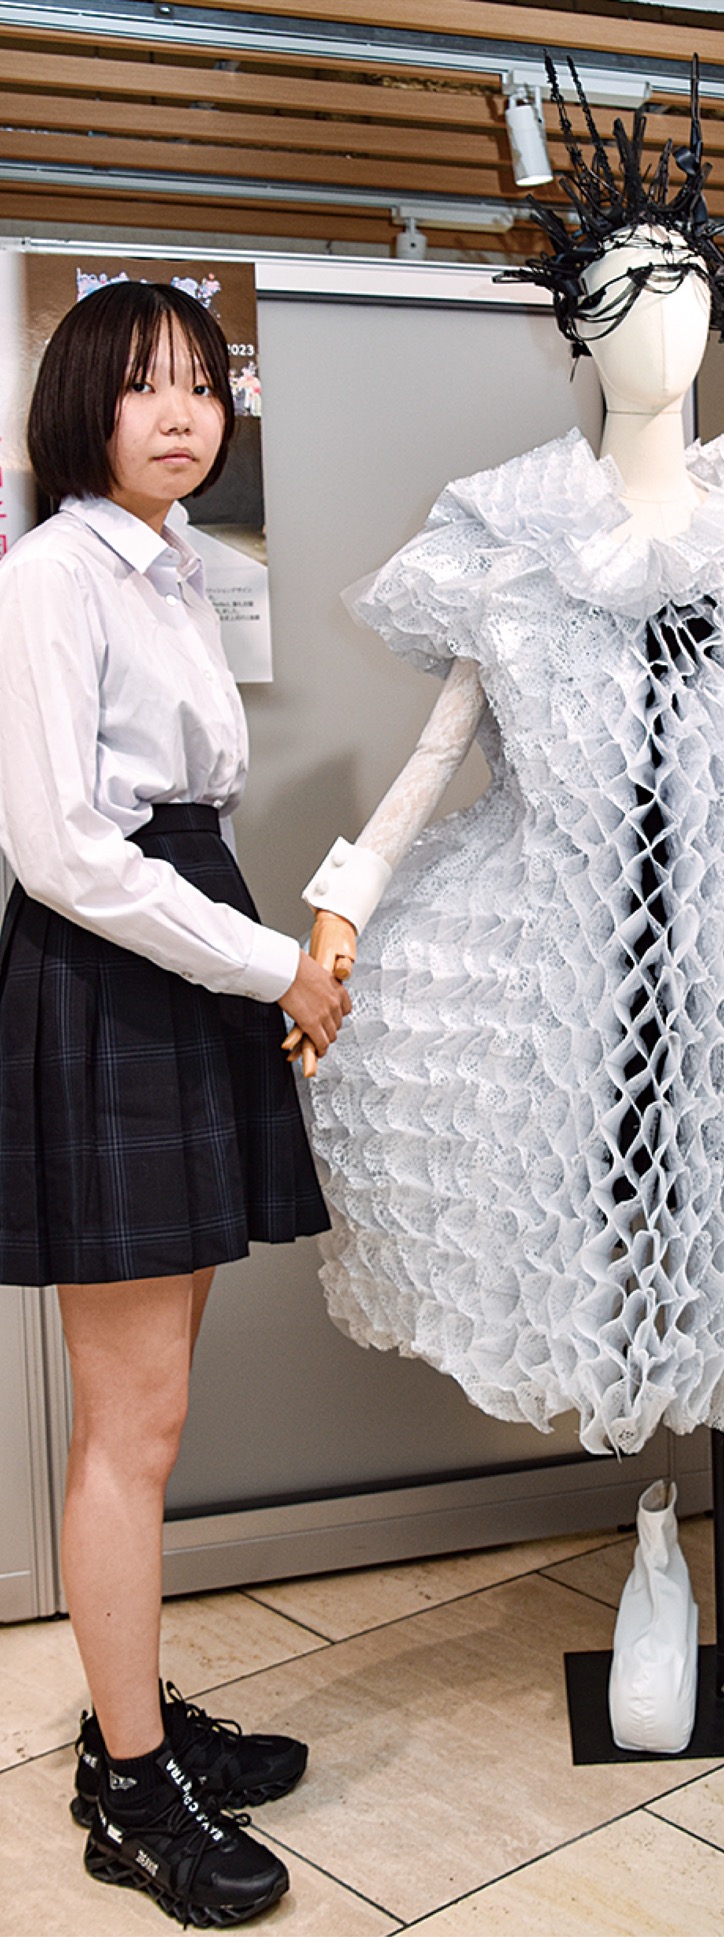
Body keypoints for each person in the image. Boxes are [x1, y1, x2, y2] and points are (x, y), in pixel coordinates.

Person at [292, 67, 724, 1460]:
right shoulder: (516, 543)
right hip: (569, 945)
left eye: (680, 289)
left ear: (719, 312)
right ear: (577, 326)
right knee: (580, 1204)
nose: (656, 320)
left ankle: (723, 1500)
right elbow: (442, 744)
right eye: (621, 292)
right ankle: (653, 1513)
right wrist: (345, 901)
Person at [0, 280, 349, 1924]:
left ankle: (127, 1720)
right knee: (127, 1423)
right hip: (118, 972)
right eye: (144, 383)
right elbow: (65, 849)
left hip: (182, 954)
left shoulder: (175, 564)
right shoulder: (52, 573)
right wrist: (274, 966)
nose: (181, 411)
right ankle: (131, 1790)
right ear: (82, 403)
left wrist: (257, 961)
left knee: (155, 1410)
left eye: (202, 382)